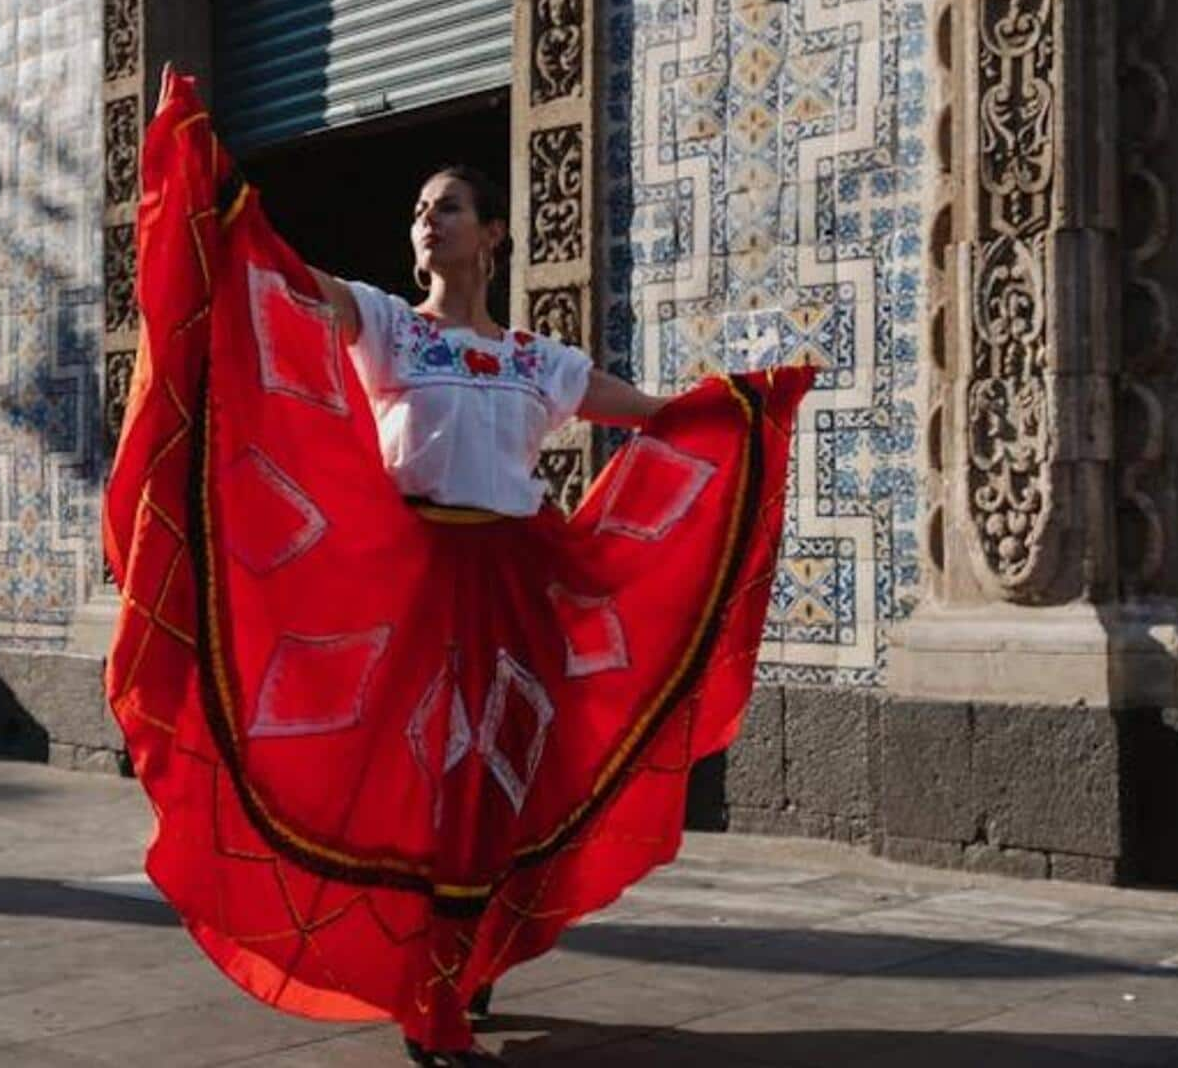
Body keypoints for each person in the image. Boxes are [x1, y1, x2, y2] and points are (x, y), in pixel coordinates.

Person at [104, 71, 815, 1066]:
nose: (428, 222)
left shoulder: (537, 361)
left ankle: (463, 966)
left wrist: (742, 409)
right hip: (411, 584)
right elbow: (290, 286)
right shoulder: (393, 326)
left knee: (497, 788)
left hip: (515, 586)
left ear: (493, 237)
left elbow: (652, 415)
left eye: (449, 209)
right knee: (415, 789)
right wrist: (223, 203)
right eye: (419, 211)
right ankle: (427, 992)